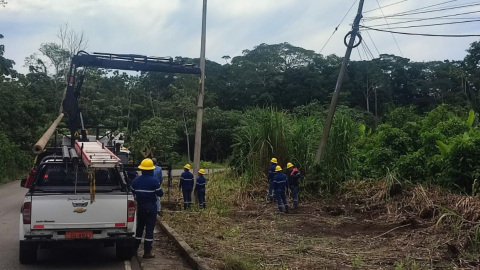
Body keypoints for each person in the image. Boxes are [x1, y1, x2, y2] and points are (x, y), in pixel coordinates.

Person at [131, 158, 164, 259]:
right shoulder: (154, 181)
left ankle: (134, 249)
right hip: (151, 207)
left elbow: (132, 191)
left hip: (140, 207)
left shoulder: (136, 180)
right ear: (151, 170)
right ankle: (147, 251)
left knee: (139, 228)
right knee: (149, 230)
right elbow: (160, 194)